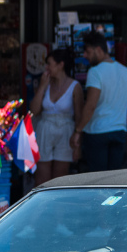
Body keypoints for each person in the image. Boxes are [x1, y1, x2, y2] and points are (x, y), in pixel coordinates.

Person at [70, 31, 127, 172]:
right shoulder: (125, 71)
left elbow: (91, 105)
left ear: (99, 49)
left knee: (98, 179)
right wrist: (123, 119)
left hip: (97, 132)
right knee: (114, 178)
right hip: (119, 131)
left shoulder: (95, 72)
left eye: (87, 51)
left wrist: (78, 130)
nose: (85, 56)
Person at [29, 48, 83, 185]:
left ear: (61, 65)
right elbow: (34, 111)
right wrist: (42, 87)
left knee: (61, 176)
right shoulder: (45, 83)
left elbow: (79, 116)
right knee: (42, 176)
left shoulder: (75, 86)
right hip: (45, 128)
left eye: (49, 64)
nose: (46, 68)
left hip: (66, 130)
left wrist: (78, 145)